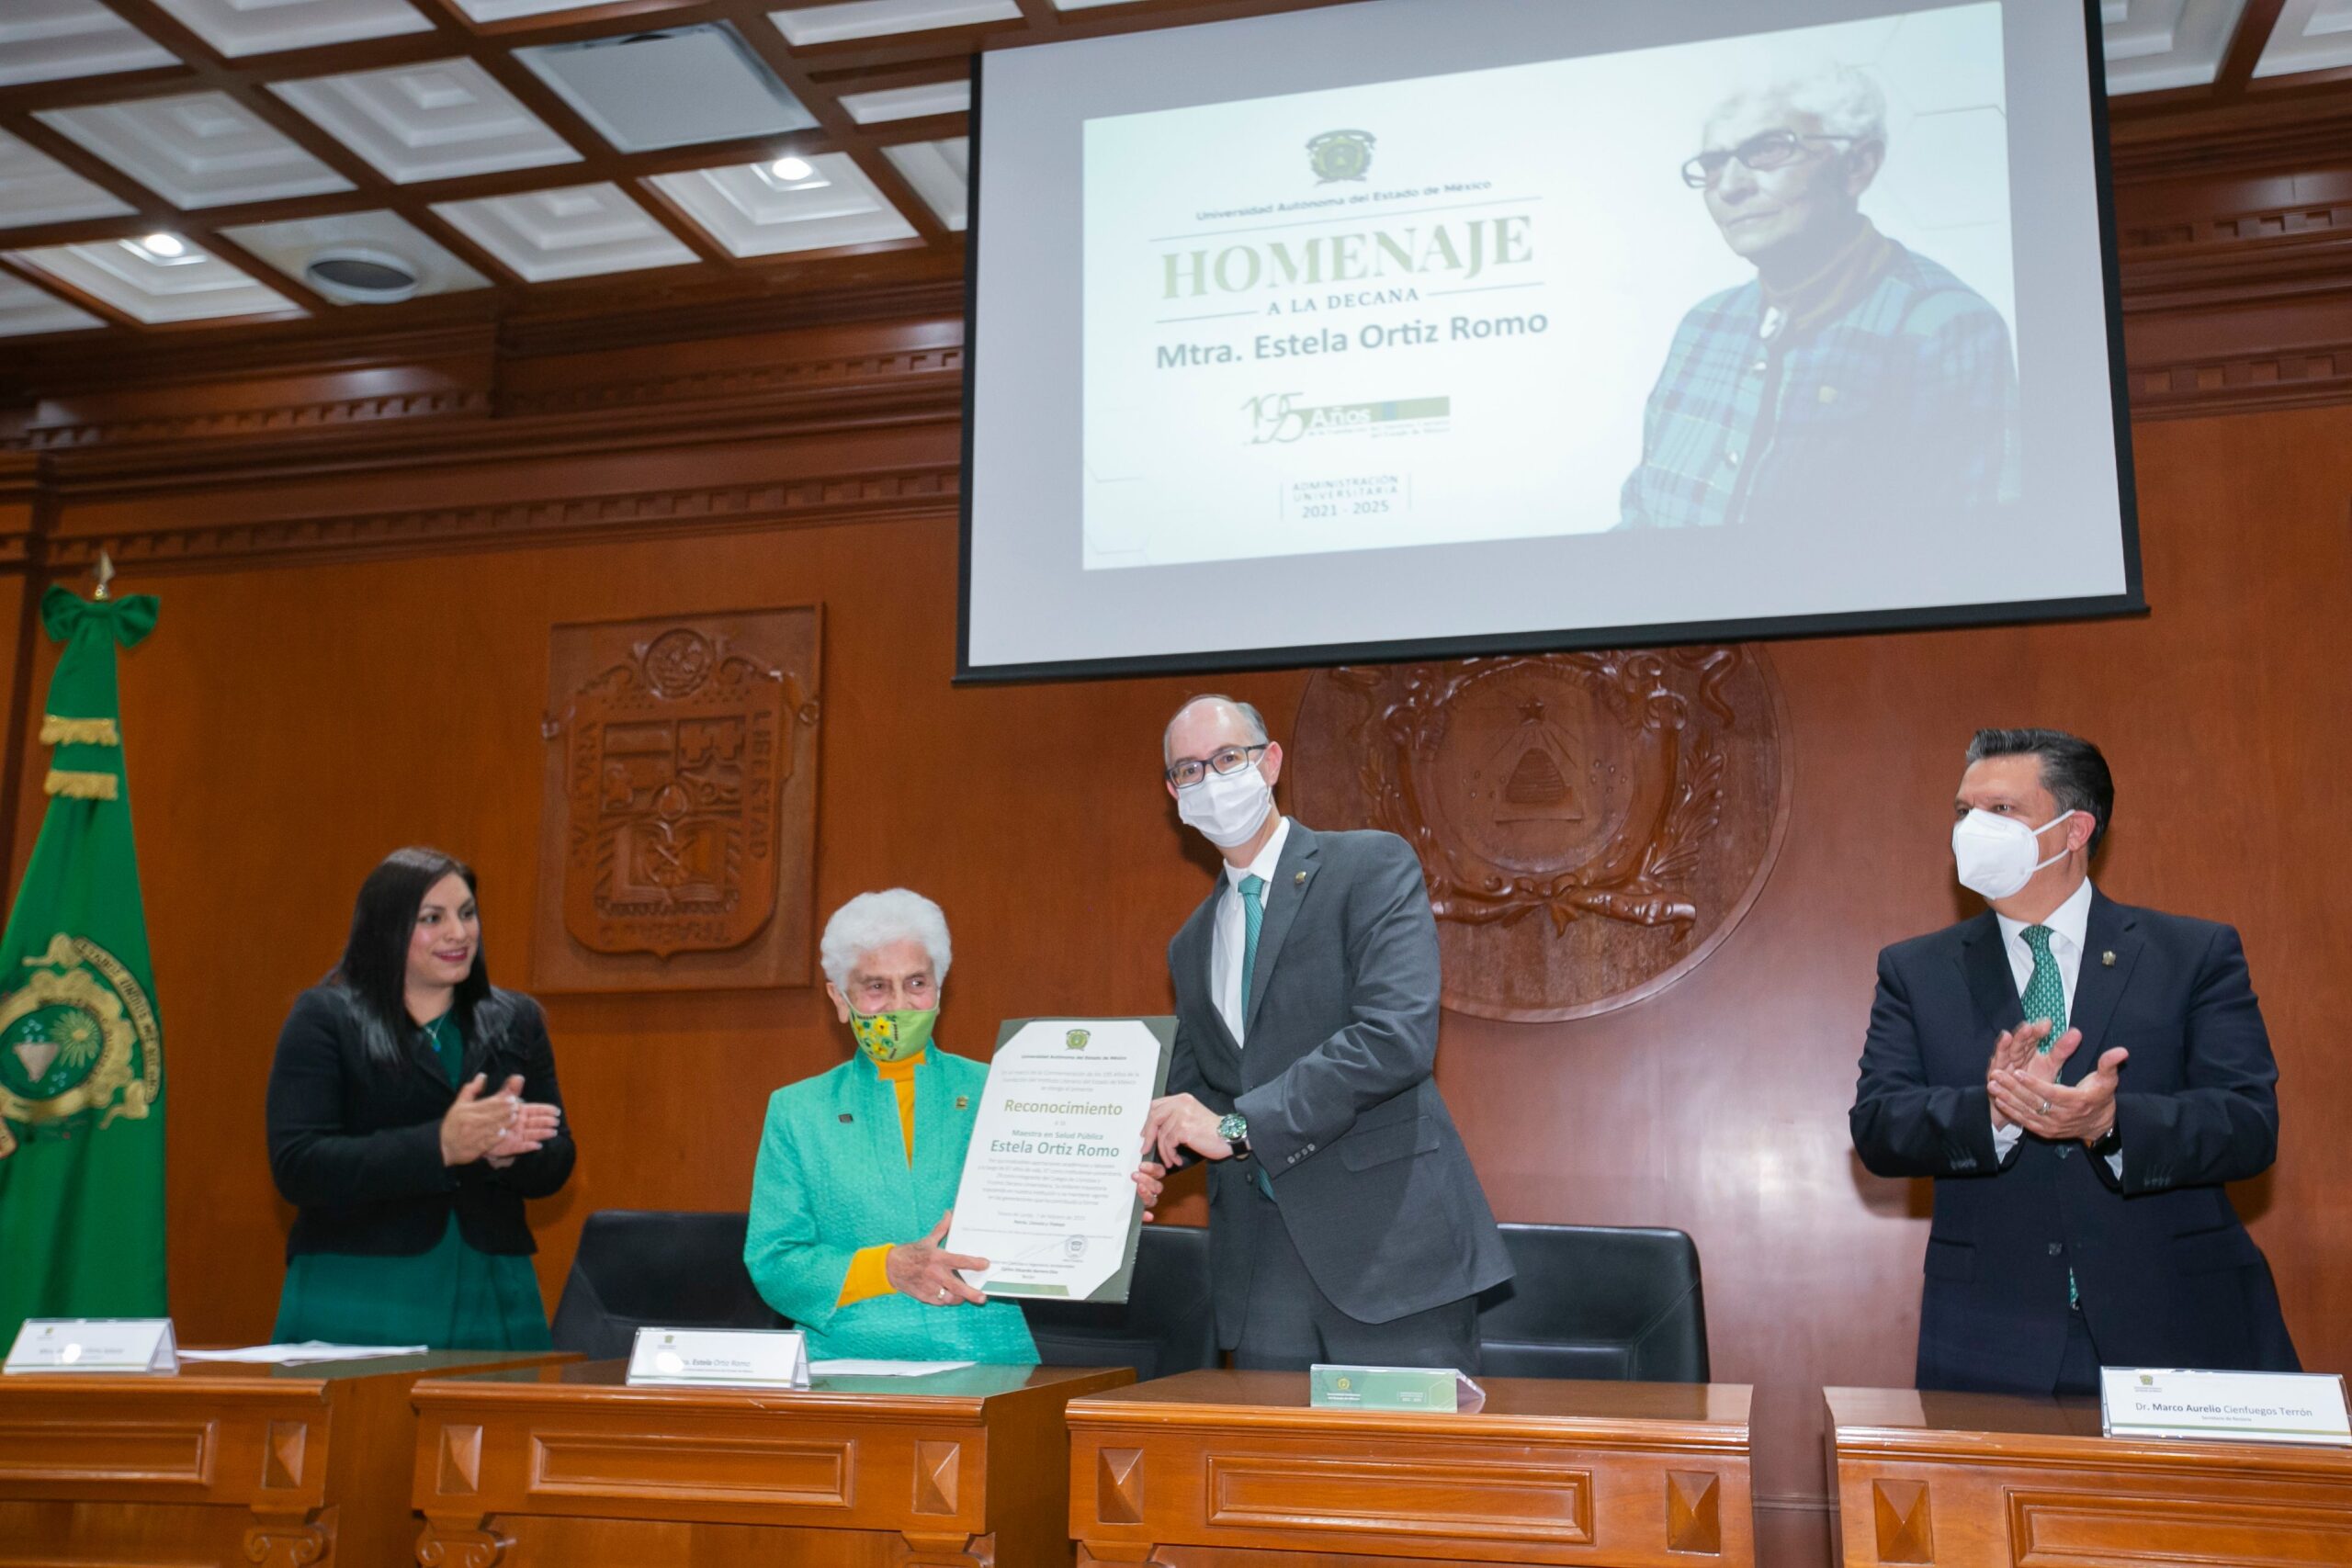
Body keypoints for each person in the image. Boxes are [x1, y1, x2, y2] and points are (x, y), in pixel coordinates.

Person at [1850, 728, 2299, 1394]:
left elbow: (2247, 1123)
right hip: (1991, 1339)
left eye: (2000, 811)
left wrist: (2110, 1125)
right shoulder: (1916, 970)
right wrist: (1997, 1110)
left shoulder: (2192, 954)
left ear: (2073, 829)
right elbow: (1880, 1125)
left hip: (2179, 1324)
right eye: (1964, 810)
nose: (1973, 828)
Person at [1131, 695, 1511, 1371]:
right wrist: (1139, 1160)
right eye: (1188, 771)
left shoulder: (1368, 866)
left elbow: (1395, 1037)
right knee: (1267, 1477)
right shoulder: (1189, 943)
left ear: (1270, 762)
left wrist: (1238, 1128)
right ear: (1172, 793)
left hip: (1390, 1254)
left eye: (1226, 758)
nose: (1209, 781)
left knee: (1406, 1474)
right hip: (1259, 1275)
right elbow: (1202, 1100)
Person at [1619, 62, 2019, 531]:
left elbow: (1964, 553)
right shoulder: (1703, 323)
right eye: (1712, 165)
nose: (1729, 187)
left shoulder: (1944, 326)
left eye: (1767, 149)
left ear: (1857, 166)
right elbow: (1641, 519)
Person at [266, 848, 571, 1348]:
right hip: (360, 1290)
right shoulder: (326, 1017)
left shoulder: (516, 1020)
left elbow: (558, 1160)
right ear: (386, 928)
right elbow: (299, 1164)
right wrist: (440, 1147)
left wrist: (508, 1153)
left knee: (494, 1426)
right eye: (433, 918)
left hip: (491, 1286)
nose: (459, 932)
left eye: (467, 913)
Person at [744, 889, 1035, 1363]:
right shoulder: (797, 1111)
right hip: (844, 1365)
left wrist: (1116, 1198)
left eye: (916, 982)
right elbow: (774, 1261)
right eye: (876, 987)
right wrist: (887, 1268)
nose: (899, 1005)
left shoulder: (1005, 1090)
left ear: (940, 989)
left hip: (990, 1361)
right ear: (840, 999)